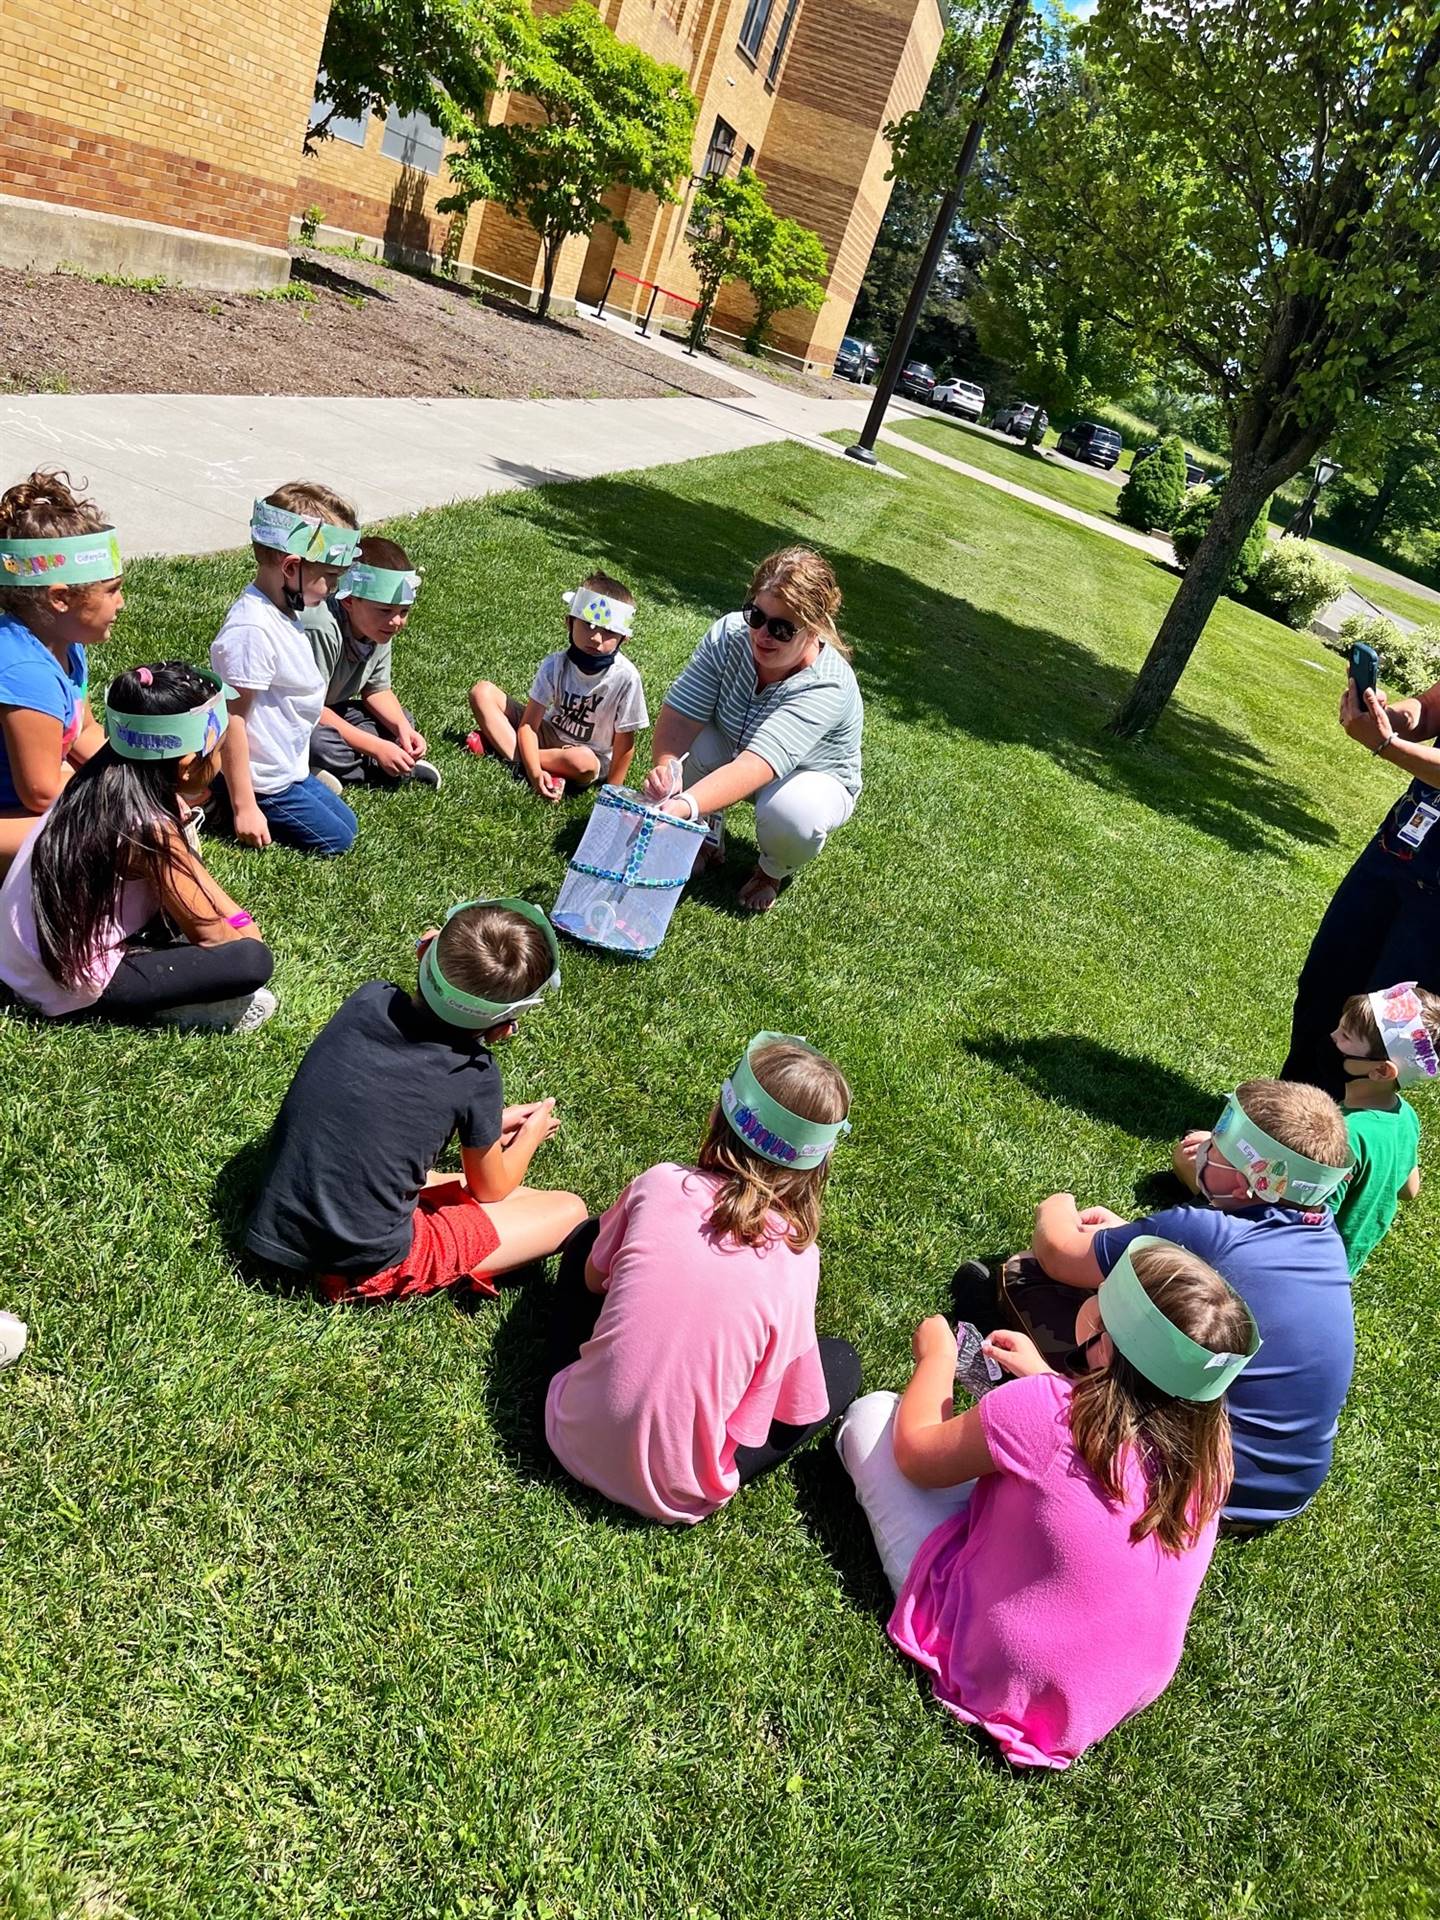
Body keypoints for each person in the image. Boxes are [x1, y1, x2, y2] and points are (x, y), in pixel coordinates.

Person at [837, 1238, 1259, 1770]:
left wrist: (937, 1359)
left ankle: (958, 1638)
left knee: (874, 1417)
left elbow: (916, 1454)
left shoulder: (1048, 1412)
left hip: (1000, 1673)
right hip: (1099, 1697)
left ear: (1106, 1339)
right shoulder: (1211, 1457)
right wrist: (1046, 1376)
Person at [963, 1078, 1353, 1530]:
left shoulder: (1209, 1231)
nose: (1205, 1146)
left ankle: (1052, 1389)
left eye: (1220, 1146)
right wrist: (1137, 1238)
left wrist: (1056, 1205)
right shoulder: (1323, 1235)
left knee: (1024, 1275)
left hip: (1176, 1490)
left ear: (1252, 1184)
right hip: (1273, 1494)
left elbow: (1057, 1252)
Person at [544, 1032, 862, 1523]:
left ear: (721, 1113)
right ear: (818, 1165)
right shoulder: (799, 1259)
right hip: (677, 1493)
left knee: (591, 1236)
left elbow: (589, 1281)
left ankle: (599, 1390)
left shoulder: (660, 1183)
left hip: (569, 1433)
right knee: (840, 1366)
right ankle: (692, 1463)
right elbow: (785, 1405)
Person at [245, 897, 585, 1302]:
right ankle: (412, 1268)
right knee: (568, 1209)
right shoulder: (474, 1073)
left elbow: (387, 1105)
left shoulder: (369, 999)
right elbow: (490, 1190)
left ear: (425, 948)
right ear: (502, 1029)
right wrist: (531, 1131)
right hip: (359, 1263)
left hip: (277, 1218)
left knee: (459, 1184)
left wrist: (490, 1125)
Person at [0, 662, 276, 1031]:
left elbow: (194, 875)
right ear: (187, 766)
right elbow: (213, 935)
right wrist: (244, 930)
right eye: (219, 751)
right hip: (59, 984)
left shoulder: (100, 779)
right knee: (251, 961)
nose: (221, 761)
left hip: (20, 957)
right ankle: (162, 1010)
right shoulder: (147, 828)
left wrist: (235, 917)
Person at [640, 547, 863, 912]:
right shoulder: (729, 634)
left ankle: (771, 871)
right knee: (690, 749)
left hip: (809, 777)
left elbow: (756, 765)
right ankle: (706, 836)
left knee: (793, 816)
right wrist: (667, 768)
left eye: (782, 628)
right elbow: (681, 715)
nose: (763, 634)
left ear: (814, 629)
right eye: (756, 615)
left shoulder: (828, 684)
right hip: (735, 744)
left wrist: (681, 804)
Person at [1283, 666, 1440, 1097]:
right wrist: (1392, 718)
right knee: (1324, 989)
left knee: (1384, 1029)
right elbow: (1428, 709)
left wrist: (1386, 744)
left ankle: (1334, 1144)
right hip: (1399, 847)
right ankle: (1285, 1119)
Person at [210, 483, 363, 856]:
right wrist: (246, 807)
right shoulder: (252, 630)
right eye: (330, 577)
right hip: (263, 781)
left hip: (286, 767)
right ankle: (220, 803)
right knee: (336, 841)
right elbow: (233, 721)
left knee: (349, 825)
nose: (334, 589)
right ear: (292, 568)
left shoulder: (285, 610)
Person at [0, 469, 123, 874]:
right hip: (15, 809)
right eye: (111, 590)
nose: (120, 603)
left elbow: (83, 731)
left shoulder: (64, 643)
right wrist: (121, 797)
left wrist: (136, 773)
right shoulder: (25, 669)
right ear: (60, 599)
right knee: (109, 833)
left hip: (17, 804)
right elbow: (41, 791)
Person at [466, 572, 648, 800]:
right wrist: (534, 773)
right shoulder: (556, 664)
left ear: (624, 638)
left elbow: (625, 743)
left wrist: (611, 796)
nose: (596, 638)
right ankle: (533, 764)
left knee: (580, 761)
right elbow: (529, 727)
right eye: (588, 625)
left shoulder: (626, 678)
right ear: (569, 621)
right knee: (482, 692)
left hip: (591, 754)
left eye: (609, 631)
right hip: (550, 733)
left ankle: (501, 748)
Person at [304, 536, 441, 791]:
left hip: (334, 707)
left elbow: (377, 689)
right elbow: (311, 708)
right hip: (297, 713)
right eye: (385, 610)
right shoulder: (322, 627)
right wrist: (376, 747)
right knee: (319, 743)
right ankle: (380, 767)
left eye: (404, 611)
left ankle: (377, 761)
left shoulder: (378, 628)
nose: (397, 621)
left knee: (404, 719)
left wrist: (401, 729)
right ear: (349, 601)